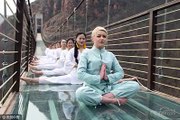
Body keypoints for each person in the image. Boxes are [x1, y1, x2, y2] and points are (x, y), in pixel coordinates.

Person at [76, 26, 140, 106]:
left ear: (106, 39)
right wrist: (99, 78)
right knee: (80, 93)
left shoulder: (110, 55)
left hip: (110, 88)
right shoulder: (86, 54)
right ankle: (113, 101)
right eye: (98, 36)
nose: (101, 38)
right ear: (93, 38)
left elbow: (120, 73)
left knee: (135, 85)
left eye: (104, 36)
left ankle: (104, 99)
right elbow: (80, 74)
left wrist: (108, 78)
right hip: (92, 88)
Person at [21, 33, 87, 84]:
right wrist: (75, 65)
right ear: (76, 40)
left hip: (84, 75)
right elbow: (67, 62)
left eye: (83, 39)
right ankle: (34, 78)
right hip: (71, 71)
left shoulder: (88, 51)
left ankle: (37, 71)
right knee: (54, 76)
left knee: (53, 72)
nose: (81, 40)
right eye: (80, 38)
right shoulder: (71, 51)